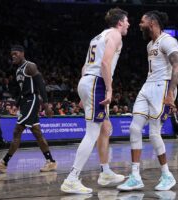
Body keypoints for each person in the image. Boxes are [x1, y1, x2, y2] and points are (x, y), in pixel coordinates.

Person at [60, 8, 130, 194]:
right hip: (96, 83)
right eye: (127, 21)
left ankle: (105, 171)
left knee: (105, 128)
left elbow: (85, 66)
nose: (129, 24)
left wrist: (83, 95)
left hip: (87, 81)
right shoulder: (115, 34)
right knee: (92, 132)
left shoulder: (97, 37)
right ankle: (72, 178)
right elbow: (105, 63)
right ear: (120, 22)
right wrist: (109, 88)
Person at [117, 10, 178, 191]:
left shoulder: (168, 40)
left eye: (142, 21)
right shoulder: (149, 45)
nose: (139, 24)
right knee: (134, 128)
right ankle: (135, 176)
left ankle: (167, 175)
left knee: (154, 133)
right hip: (148, 86)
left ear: (152, 23)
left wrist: (170, 94)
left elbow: (177, 66)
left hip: (163, 88)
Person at [0, 45, 57, 173]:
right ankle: (51, 161)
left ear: (22, 53)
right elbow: (22, 90)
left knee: (17, 130)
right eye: (12, 55)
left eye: (16, 54)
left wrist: (46, 105)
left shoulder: (30, 66)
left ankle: (4, 163)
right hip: (25, 101)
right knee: (37, 132)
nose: (13, 56)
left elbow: (41, 84)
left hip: (32, 100)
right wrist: (17, 104)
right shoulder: (18, 70)